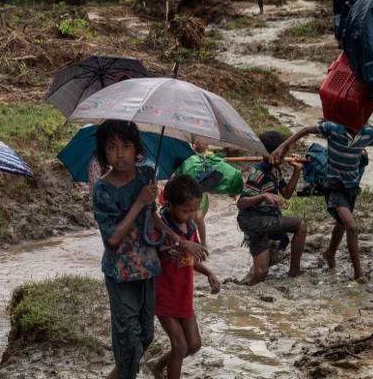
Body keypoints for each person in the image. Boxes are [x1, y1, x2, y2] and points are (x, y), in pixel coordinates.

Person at [92, 119, 206, 379]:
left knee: (145, 335)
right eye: (112, 147)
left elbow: (152, 217)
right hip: (121, 272)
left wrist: (178, 240)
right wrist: (138, 202)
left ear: (137, 149)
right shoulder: (102, 189)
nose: (120, 154)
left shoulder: (145, 175)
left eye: (126, 146)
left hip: (148, 268)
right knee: (127, 339)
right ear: (103, 152)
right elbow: (113, 238)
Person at [271, 120, 373, 282]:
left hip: (351, 188)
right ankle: (358, 274)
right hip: (333, 187)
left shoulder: (368, 132)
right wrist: (283, 146)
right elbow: (306, 129)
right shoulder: (334, 129)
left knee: (341, 224)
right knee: (351, 227)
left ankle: (330, 253)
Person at [150, 175, 221, 379]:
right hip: (164, 294)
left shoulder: (189, 227)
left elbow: (192, 257)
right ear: (169, 205)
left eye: (194, 210)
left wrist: (209, 272)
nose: (191, 215)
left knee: (194, 345)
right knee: (180, 345)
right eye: (186, 211)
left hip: (183, 293)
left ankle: (157, 365)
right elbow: (158, 252)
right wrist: (175, 247)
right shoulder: (160, 225)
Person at [237, 130, 306, 285]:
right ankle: (293, 272)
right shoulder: (258, 172)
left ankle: (244, 287)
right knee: (300, 225)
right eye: (280, 155)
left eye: (283, 155)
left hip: (266, 220)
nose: (282, 159)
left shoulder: (275, 170)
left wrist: (297, 171)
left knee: (261, 272)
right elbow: (241, 203)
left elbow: (287, 193)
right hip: (254, 221)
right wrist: (262, 196)